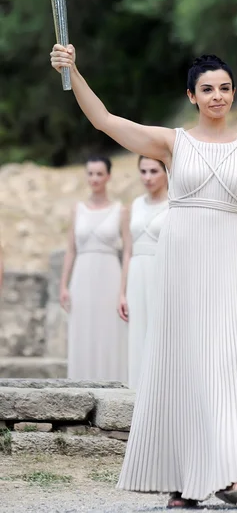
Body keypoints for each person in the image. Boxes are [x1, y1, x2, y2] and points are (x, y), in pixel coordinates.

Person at [50, 45, 237, 508]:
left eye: (224, 88)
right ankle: (183, 480)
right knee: (182, 364)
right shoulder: (174, 142)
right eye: (207, 89)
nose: (217, 96)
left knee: (230, 363)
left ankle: (235, 472)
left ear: (233, 92)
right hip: (182, 269)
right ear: (192, 96)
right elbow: (105, 121)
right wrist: (72, 70)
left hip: (231, 266)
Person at [59, 155, 129, 382]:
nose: (94, 178)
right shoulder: (77, 209)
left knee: (109, 332)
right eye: (90, 173)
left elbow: (128, 251)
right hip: (82, 276)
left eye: (99, 174)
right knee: (83, 331)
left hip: (109, 275)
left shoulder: (121, 210)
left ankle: (112, 385)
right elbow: (71, 249)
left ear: (108, 176)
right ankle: (80, 385)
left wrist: (122, 291)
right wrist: (64, 285)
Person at [118, 155, 169, 389]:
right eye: (143, 171)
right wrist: (122, 292)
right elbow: (127, 251)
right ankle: (137, 397)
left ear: (166, 171)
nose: (148, 177)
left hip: (163, 272)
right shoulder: (134, 206)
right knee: (138, 336)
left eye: (154, 171)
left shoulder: (175, 204)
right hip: (137, 273)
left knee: (162, 336)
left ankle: (163, 395)